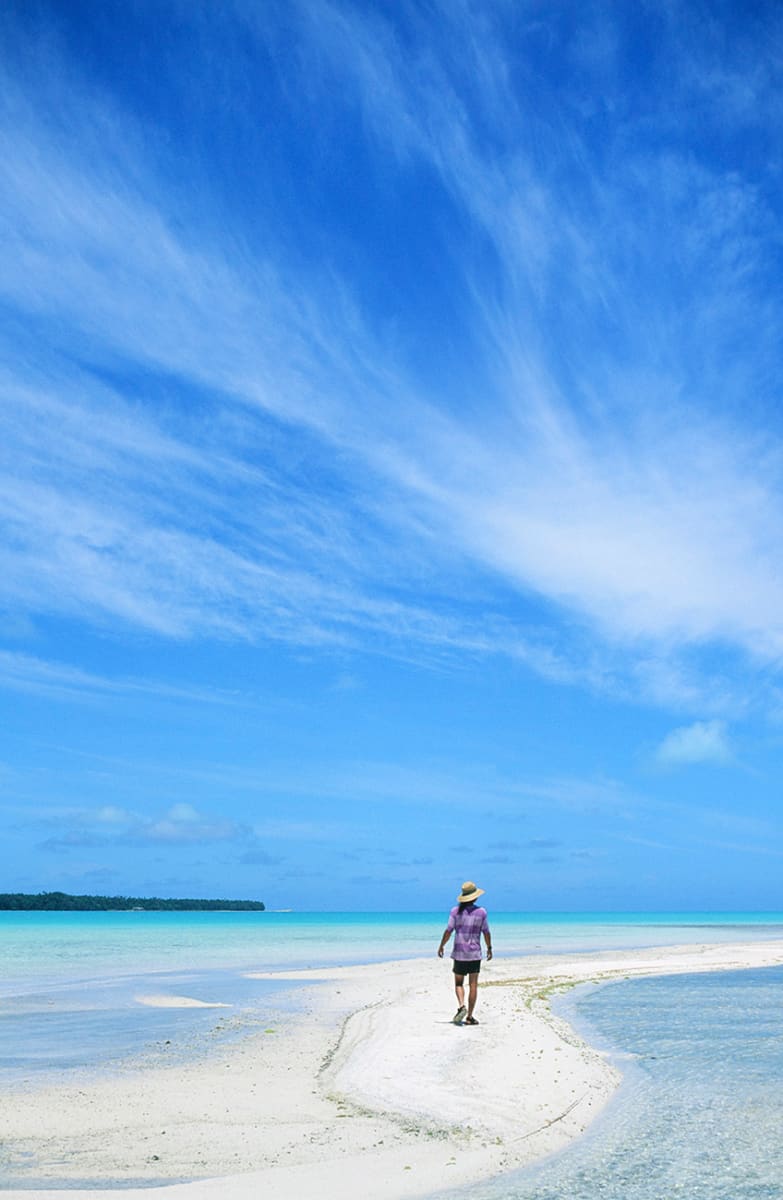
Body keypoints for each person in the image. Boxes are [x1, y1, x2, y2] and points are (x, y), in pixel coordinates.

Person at [437, 881, 492, 1025]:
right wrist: (489, 948)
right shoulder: (482, 912)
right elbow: (486, 932)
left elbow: (448, 930)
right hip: (474, 954)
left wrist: (441, 945)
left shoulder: (455, 911)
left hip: (459, 953)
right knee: (473, 985)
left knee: (459, 983)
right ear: (475, 897)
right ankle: (469, 1017)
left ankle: (462, 1006)